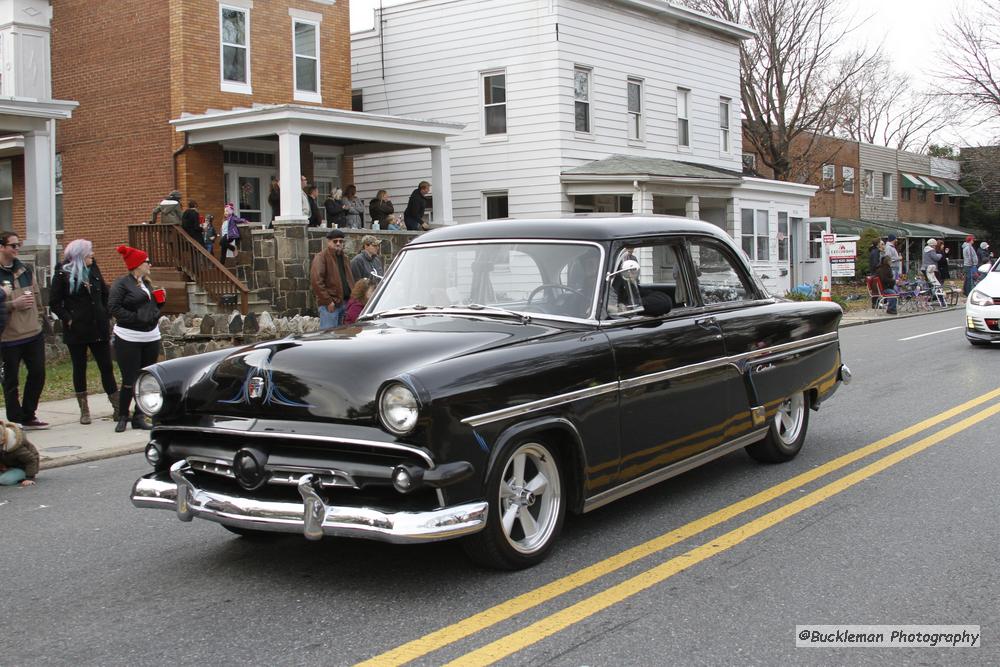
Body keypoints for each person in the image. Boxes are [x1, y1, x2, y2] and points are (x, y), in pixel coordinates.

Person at [48, 239, 119, 425]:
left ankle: (118, 407)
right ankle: (84, 410)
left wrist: (106, 312)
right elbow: (54, 302)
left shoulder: (93, 270)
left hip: (98, 326)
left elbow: (104, 291)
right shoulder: (62, 274)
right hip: (77, 329)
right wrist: (68, 318)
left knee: (106, 366)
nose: (92, 255)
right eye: (88, 253)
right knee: (80, 368)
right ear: (79, 256)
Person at [109, 245, 164, 433]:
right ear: (137, 265)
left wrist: (158, 306)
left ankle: (139, 415)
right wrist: (134, 319)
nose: (149, 264)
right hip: (129, 336)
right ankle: (123, 415)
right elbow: (114, 307)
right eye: (146, 261)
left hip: (151, 335)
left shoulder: (146, 284)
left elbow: (150, 309)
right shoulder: (122, 284)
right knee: (129, 379)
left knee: (145, 377)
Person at [0, 231, 48, 430]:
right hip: (8, 337)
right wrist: (13, 304)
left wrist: (39, 317)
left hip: (32, 333)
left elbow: (36, 296)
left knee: (38, 373)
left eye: (18, 245)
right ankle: (15, 418)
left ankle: (29, 414)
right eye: (13, 246)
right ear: (1, 247)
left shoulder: (25, 269)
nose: (17, 249)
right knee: (11, 381)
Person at [310, 229, 355, 329]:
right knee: (328, 338)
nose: (338, 243)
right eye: (335, 241)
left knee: (343, 338)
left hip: (345, 302)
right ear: (329, 242)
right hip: (330, 305)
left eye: (341, 241)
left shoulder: (345, 258)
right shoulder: (321, 257)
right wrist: (328, 301)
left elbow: (349, 279)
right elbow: (316, 281)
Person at [0, 419, 38, 486]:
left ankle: (22, 476)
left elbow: (31, 460)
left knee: (4, 480)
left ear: (2, 440)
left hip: (22, 468)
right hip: (8, 466)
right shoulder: (2, 444)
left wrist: (29, 478)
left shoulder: (16, 447)